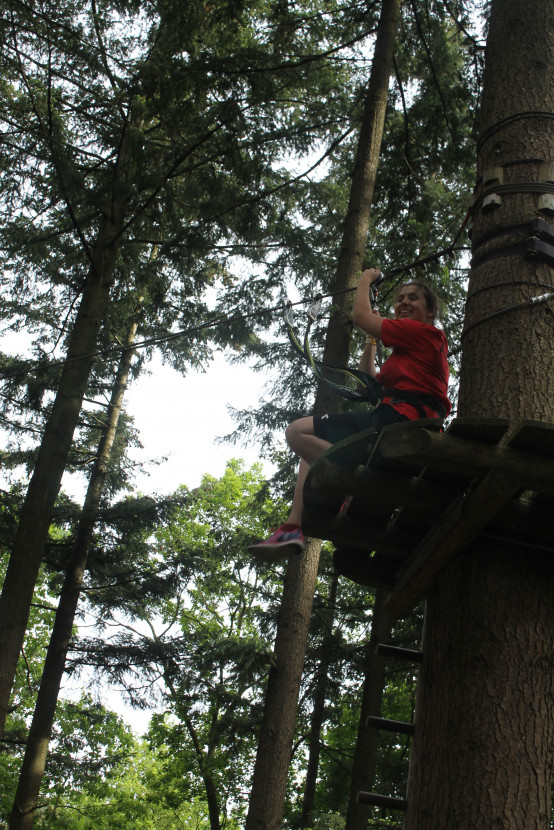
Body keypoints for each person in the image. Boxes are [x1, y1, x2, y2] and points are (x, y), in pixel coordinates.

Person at [248, 267, 451, 560]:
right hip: (398, 420)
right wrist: (372, 342)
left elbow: (361, 318)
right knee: (307, 450)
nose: (404, 302)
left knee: (297, 431)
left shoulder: (427, 334)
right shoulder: (406, 353)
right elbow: (370, 378)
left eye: (413, 298)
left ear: (429, 311)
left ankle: (349, 483)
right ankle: (292, 526)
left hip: (402, 423)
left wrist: (365, 279)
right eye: (400, 298)